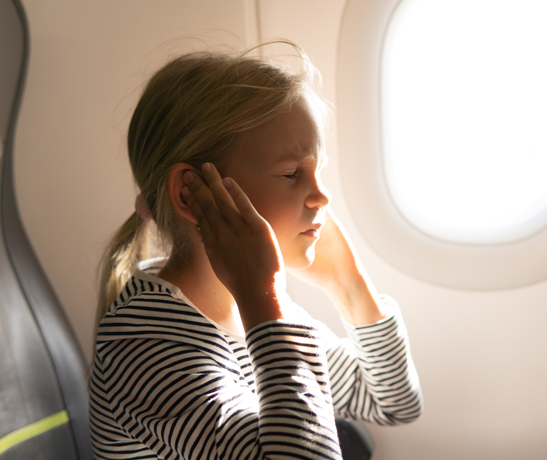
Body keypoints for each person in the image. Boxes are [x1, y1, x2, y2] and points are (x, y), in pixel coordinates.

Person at [88, 42, 422, 460]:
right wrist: (265, 300)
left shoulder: (253, 313)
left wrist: (349, 285)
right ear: (191, 195)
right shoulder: (145, 343)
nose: (322, 195)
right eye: (291, 173)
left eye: (320, 170)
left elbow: (393, 402)